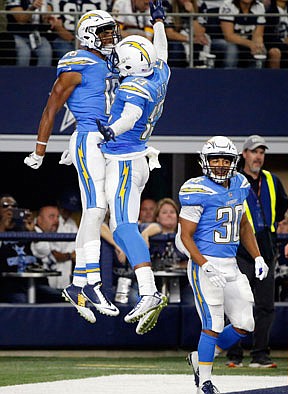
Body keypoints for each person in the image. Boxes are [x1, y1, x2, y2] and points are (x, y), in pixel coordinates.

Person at [24, 10, 121, 324]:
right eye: (105, 32)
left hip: (110, 141)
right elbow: (52, 105)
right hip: (88, 138)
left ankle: (79, 284)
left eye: (111, 31)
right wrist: (40, 149)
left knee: (101, 213)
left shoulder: (112, 61)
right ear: (90, 35)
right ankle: (90, 283)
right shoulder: (76, 62)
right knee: (94, 209)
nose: (110, 37)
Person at [97, 0, 170, 335]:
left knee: (125, 228)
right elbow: (162, 51)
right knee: (116, 223)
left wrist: (112, 130)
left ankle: (149, 291)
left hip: (126, 160)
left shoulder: (133, 86)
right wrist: (158, 22)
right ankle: (147, 288)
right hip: (133, 158)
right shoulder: (159, 72)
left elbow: (131, 116)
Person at [176, 136, 269, 394]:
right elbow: (185, 236)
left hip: (231, 264)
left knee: (245, 323)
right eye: (214, 159)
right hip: (205, 264)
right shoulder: (196, 190)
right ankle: (204, 382)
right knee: (213, 324)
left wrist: (258, 256)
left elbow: (243, 224)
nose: (219, 164)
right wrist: (204, 265)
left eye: (224, 159)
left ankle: (200, 357)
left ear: (233, 161)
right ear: (204, 161)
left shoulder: (240, 183)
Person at [226, 134, 288, 368]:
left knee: (265, 305)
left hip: (267, 246)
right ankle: (234, 355)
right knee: (238, 301)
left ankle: (260, 355)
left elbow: (282, 204)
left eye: (262, 152)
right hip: (240, 248)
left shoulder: (272, 180)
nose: (258, 156)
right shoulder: (233, 180)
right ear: (244, 154)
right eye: (254, 152)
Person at [0, 195, 62, 303]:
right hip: (8, 285)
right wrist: (2, 227)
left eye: (14, 206)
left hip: (37, 284)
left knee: (64, 297)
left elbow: (43, 252)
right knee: (21, 301)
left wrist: (32, 232)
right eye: (5, 205)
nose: (10, 208)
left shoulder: (26, 228)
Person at [219, 0, 266, 68]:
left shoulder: (259, 6)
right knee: (232, 49)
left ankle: (255, 76)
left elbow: (258, 34)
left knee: (261, 49)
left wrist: (258, 44)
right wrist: (250, 44)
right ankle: (229, 76)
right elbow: (228, 36)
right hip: (224, 41)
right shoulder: (227, 5)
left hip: (247, 42)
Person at [164, 0, 210, 68]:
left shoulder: (200, 4)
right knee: (176, 48)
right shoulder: (168, 4)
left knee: (203, 41)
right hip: (178, 38)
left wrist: (192, 14)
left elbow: (200, 33)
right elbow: (169, 33)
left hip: (195, 37)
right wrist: (190, 39)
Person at [6, 0, 52, 66]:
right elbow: (21, 20)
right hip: (18, 34)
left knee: (46, 52)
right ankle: (21, 75)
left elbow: (46, 19)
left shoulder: (45, 1)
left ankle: (41, 76)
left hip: (38, 35)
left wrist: (50, 19)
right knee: (24, 52)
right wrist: (32, 8)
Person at [264, 0, 288, 68]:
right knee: (275, 52)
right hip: (277, 45)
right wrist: (287, 49)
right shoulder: (270, 12)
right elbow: (269, 36)